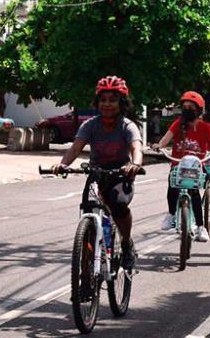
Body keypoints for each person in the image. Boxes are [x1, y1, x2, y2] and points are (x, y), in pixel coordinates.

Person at [54, 76, 144, 270]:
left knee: (118, 207)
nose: (107, 104)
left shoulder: (127, 126)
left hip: (120, 176)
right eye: (103, 100)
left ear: (121, 103)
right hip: (96, 175)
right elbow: (75, 148)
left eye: (112, 100)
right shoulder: (90, 125)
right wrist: (62, 164)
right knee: (88, 211)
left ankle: (127, 244)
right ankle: (86, 271)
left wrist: (134, 165)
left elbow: (136, 148)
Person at [153, 91, 210, 242]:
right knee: (172, 188)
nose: (187, 109)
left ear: (198, 109)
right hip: (178, 164)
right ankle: (171, 215)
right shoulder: (177, 124)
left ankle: (201, 227)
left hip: (196, 167)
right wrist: (159, 145)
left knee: (194, 194)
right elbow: (165, 139)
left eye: (191, 107)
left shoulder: (206, 127)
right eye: (185, 106)